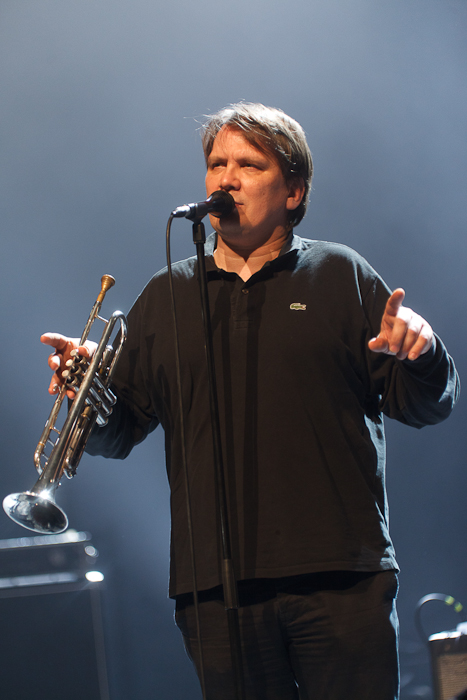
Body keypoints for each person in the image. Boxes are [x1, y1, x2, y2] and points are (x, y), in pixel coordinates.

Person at [42, 103, 459, 700]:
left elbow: (425, 407)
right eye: (217, 164)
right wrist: (87, 392)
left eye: (249, 165)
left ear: (293, 191)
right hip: (217, 589)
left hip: (340, 574)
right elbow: (120, 431)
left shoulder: (339, 274)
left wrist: (423, 352)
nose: (227, 178)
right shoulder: (167, 294)